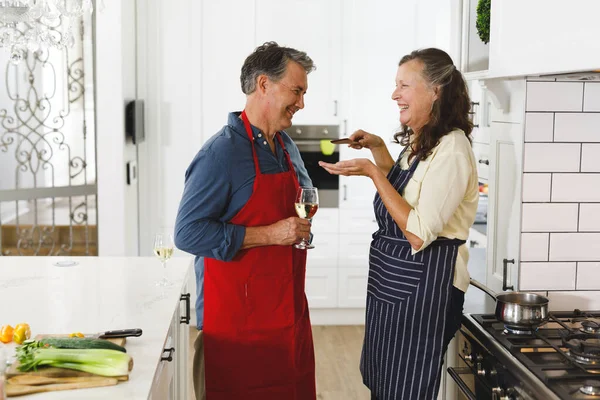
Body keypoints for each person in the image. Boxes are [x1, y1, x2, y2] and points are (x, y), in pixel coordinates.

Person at [319, 48, 478, 400]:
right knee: (387, 384)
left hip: (428, 288)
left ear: (435, 91)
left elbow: (419, 233)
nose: (395, 94)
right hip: (398, 282)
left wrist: (373, 173)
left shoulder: (452, 149)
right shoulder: (425, 140)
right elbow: (407, 192)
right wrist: (378, 150)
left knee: (406, 388)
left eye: (404, 85)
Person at [174, 42, 317, 400]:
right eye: (296, 91)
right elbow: (187, 232)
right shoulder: (219, 154)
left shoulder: (286, 145)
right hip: (236, 329)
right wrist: (270, 234)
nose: (301, 103)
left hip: (288, 318)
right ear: (264, 85)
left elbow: (304, 197)